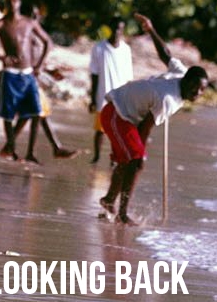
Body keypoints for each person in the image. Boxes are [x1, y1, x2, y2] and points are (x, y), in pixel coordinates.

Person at [98, 13, 209, 225]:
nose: (196, 94)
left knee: (127, 159)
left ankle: (109, 200)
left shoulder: (181, 72)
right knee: (137, 161)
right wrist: (138, 150)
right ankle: (122, 213)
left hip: (124, 114)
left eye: (201, 91)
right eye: (194, 88)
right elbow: (144, 128)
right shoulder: (168, 99)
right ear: (185, 81)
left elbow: (165, 53)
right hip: (116, 113)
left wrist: (150, 29)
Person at [0, 0, 50, 163]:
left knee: (35, 111)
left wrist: (40, 65)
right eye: (9, 1)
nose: (13, 4)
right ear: (6, 4)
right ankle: (12, 147)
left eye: (15, 0)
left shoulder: (29, 23)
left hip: (28, 73)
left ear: (19, 2)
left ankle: (25, 150)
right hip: (10, 74)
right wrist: (0, 56)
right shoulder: (1, 24)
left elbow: (47, 42)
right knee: (8, 114)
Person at [12, 4, 77, 160]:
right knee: (37, 112)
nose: (36, 19)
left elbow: (36, 61)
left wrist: (50, 72)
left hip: (32, 79)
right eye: (32, 16)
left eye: (37, 16)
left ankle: (23, 148)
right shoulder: (23, 34)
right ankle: (45, 149)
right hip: (24, 79)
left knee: (37, 113)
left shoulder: (35, 34)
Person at [89, 17, 134, 164]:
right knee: (100, 129)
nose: (116, 31)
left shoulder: (126, 50)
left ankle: (114, 158)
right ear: (109, 28)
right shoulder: (99, 48)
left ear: (123, 30)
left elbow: (129, 77)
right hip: (103, 95)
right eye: (114, 28)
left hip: (121, 97)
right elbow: (94, 74)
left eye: (119, 29)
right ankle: (96, 157)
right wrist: (92, 98)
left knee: (118, 130)